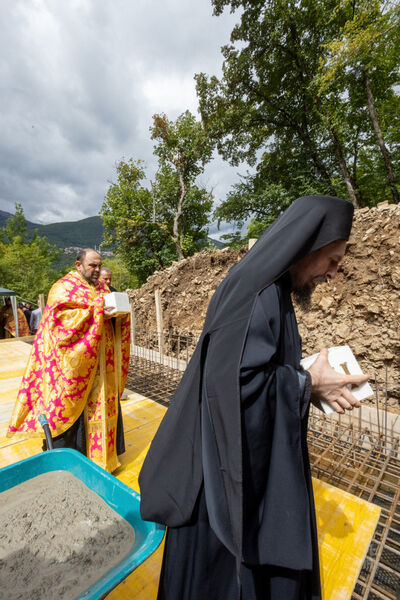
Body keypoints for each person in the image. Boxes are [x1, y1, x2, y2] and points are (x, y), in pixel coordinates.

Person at [139, 196, 370, 600]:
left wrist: (305, 375)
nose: (334, 273)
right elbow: (234, 387)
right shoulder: (257, 293)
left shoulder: (270, 287)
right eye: (332, 260)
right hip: (218, 491)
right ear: (306, 246)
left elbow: (252, 365)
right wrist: (305, 383)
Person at [7, 248, 131, 472]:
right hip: (74, 366)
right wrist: (98, 311)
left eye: (99, 265)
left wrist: (118, 314)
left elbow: (108, 315)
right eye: (92, 265)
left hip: (104, 364)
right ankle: (75, 460)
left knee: (104, 408)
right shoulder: (62, 288)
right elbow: (61, 324)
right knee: (73, 410)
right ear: (78, 264)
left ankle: (105, 457)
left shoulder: (102, 287)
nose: (96, 270)